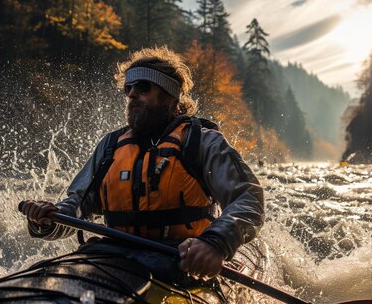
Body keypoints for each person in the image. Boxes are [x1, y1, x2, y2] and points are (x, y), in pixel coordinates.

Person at [20, 46, 264, 281]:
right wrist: (48, 220)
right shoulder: (111, 146)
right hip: (111, 257)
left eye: (143, 87)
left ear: (170, 95)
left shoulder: (201, 142)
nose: (133, 93)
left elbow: (248, 198)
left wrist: (216, 243)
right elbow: (75, 206)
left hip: (179, 260)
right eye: (129, 88)